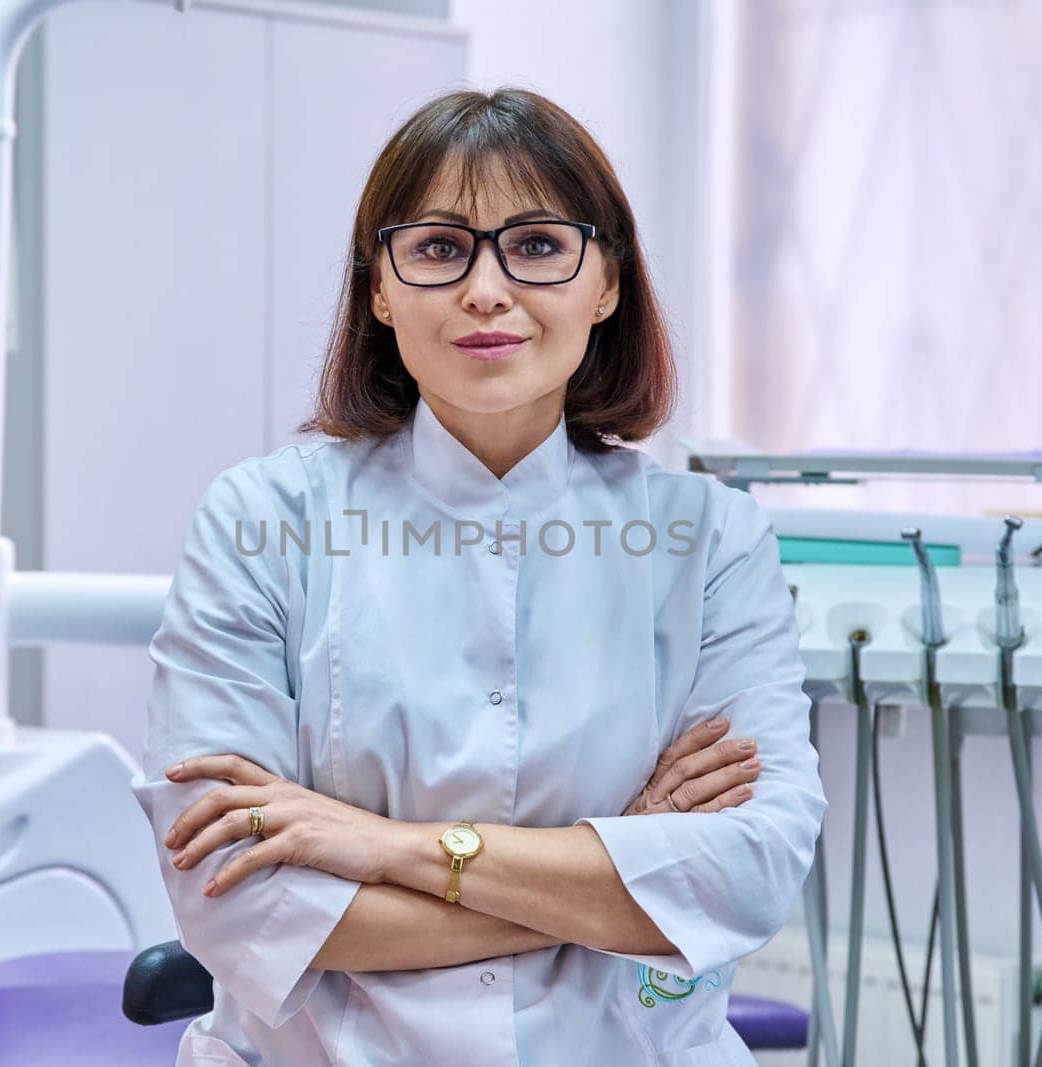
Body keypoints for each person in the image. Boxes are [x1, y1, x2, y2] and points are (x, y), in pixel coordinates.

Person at [130, 87, 826, 1066]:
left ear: (607, 283)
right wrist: (618, 862)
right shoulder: (261, 520)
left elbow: (747, 875)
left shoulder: (707, 537)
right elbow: (238, 895)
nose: (486, 290)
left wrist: (380, 843)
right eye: (438, 247)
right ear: (378, 287)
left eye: (537, 245)